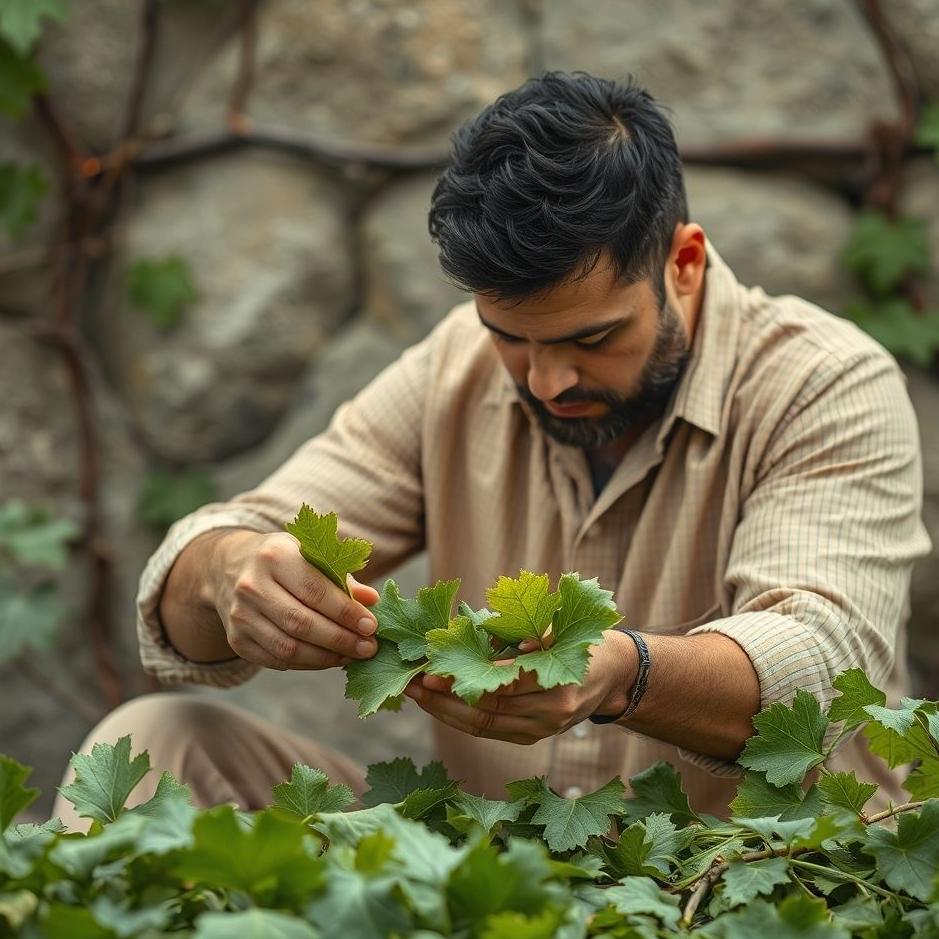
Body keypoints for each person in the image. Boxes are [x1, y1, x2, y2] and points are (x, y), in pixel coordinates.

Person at [54, 72, 932, 829]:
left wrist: (618, 674)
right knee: (151, 742)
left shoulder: (826, 383)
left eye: (592, 338)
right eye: (510, 336)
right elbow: (219, 564)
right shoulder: (455, 368)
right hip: (495, 873)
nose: (546, 380)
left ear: (684, 264)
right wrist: (230, 572)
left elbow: (818, 666)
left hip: (753, 871)